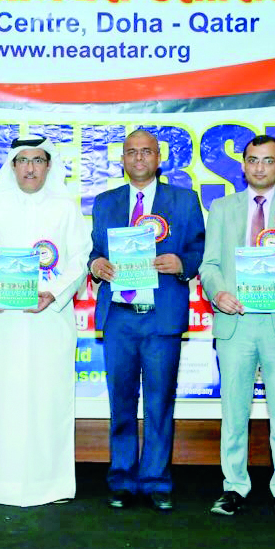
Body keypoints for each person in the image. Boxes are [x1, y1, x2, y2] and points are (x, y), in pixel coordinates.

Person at [0, 136, 91, 506]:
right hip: (5, 320)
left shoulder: (65, 208)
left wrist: (52, 292)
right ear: (13, 165)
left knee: (47, 399)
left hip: (49, 321)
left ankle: (49, 486)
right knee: (2, 398)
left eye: (38, 160)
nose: (31, 167)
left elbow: (79, 259)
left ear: (48, 166)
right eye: (23, 160)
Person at [200, 134, 275, 519]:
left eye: (268, 160)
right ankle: (233, 486)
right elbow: (209, 266)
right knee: (234, 410)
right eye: (253, 160)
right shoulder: (221, 208)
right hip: (235, 320)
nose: (260, 167)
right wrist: (218, 294)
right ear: (243, 164)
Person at [89, 129, 205, 511]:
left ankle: (156, 480)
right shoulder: (106, 202)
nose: (138, 158)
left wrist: (183, 264)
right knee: (121, 402)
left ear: (159, 158)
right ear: (121, 160)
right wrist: (95, 263)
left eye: (146, 152)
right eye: (131, 152)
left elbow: (199, 246)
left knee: (159, 402)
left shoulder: (184, 200)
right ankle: (122, 479)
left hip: (161, 316)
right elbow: (93, 249)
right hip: (120, 317)